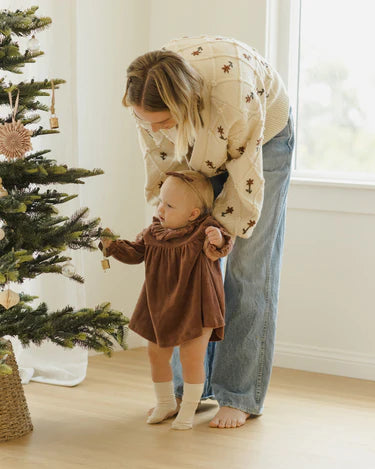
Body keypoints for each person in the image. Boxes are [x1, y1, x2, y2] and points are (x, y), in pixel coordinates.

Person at [122, 35, 295, 429]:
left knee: (247, 271)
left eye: (162, 122)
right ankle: (192, 389)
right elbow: (162, 158)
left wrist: (222, 236)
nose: (155, 129)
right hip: (202, 135)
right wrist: (167, 215)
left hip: (261, 140)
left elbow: (244, 180)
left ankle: (239, 393)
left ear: (181, 106)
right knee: (189, 266)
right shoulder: (150, 100)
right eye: (146, 121)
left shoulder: (235, 101)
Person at [99, 170, 233, 430]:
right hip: (161, 303)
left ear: (193, 214)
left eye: (169, 205)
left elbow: (220, 247)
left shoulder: (203, 230)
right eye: (161, 201)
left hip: (197, 305)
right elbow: (135, 252)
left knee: (191, 357)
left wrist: (219, 239)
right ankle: (165, 401)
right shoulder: (154, 232)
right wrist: (113, 246)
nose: (161, 209)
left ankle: (189, 408)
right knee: (156, 353)